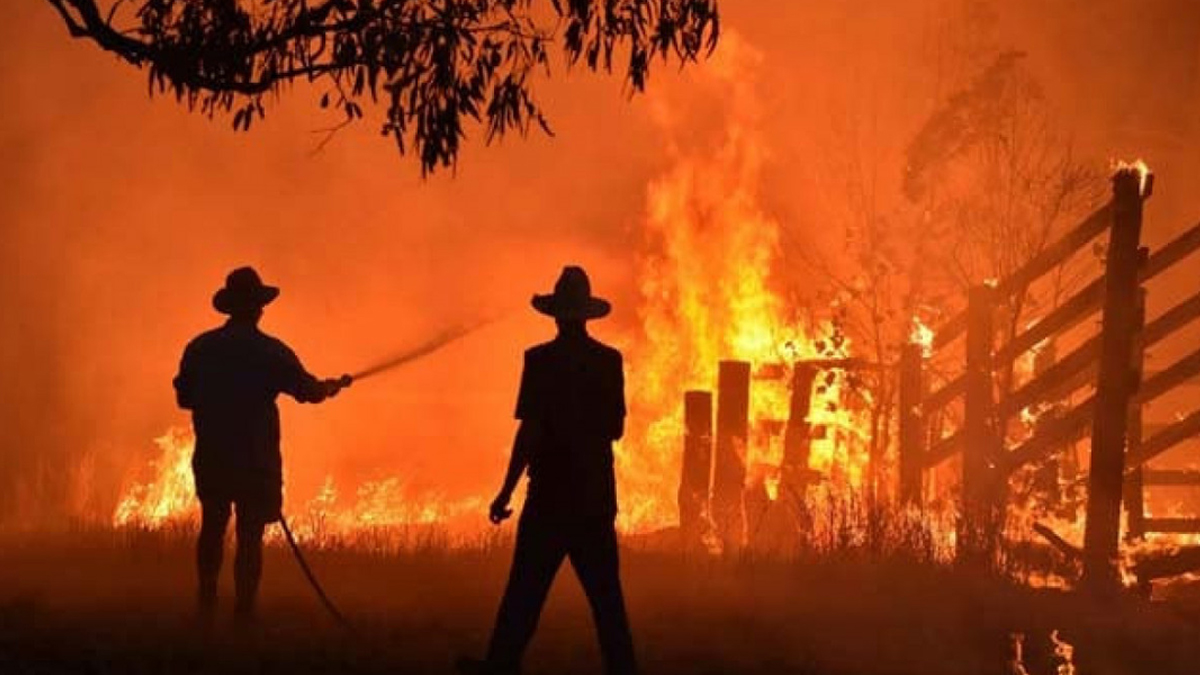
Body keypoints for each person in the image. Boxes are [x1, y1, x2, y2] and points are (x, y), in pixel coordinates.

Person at [459, 266, 637, 675]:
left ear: (556, 315)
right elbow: (616, 429)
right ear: (586, 316)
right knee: (607, 599)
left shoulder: (539, 361)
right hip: (594, 497)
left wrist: (505, 493)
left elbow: (530, 432)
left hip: (550, 497)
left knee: (524, 591)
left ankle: (500, 665)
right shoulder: (609, 362)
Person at [173, 266, 351, 622]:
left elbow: (185, 399)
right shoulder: (270, 352)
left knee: (212, 528)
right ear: (256, 308)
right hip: (255, 461)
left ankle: (206, 603)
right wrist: (332, 386)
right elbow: (309, 391)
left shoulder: (201, 348)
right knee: (250, 536)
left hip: (213, 457)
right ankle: (244, 613)